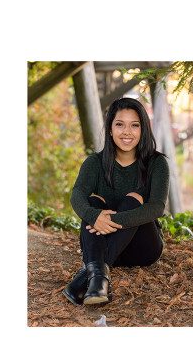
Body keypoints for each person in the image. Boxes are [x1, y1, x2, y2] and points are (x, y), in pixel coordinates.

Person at [63, 97, 169, 306]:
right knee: (93, 201)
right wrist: (94, 215)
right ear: (110, 129)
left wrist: (110, 221)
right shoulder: (95, 163)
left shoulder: (156, 163)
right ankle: (98, 279)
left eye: (134, 125)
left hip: (143, 248)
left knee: (134, 200)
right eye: (119, 124)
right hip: (108, 248)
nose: (127, 132)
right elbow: (77, 195)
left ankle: (87, 276)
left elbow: (157, 207)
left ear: (143, 130)